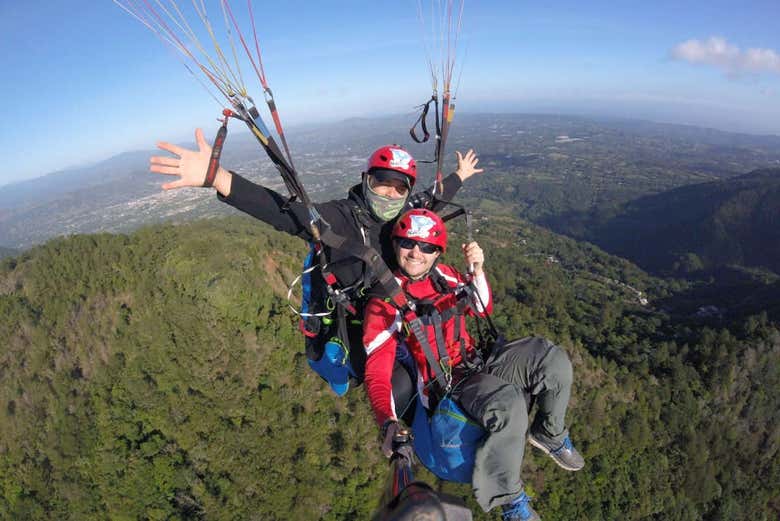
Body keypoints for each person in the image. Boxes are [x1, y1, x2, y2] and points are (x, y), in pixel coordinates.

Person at [149, 128, 483, 393]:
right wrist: (219, 178)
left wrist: (460, 175)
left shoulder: (407, 217)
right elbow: (285, 213)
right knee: (380, 382)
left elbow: (434, 200)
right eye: (382, 183)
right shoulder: (337, 219)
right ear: (367, 180)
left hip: (392, 317)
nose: (390, 194)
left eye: (400, 188)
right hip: (356, 326)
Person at [362, 208, 584, 521]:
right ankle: (510, 501)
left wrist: (477, 272)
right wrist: (387, 420)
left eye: (426, 247)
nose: (416, 253)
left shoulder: (447, 276)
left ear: (438, 251)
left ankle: (550, 433)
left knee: (551, 359)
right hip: (447, 383)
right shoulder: (385, 301)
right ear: (396, 244)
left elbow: (482, 308)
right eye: (408, 244)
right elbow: (377, 368)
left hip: (478, 360)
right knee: (506, 404)